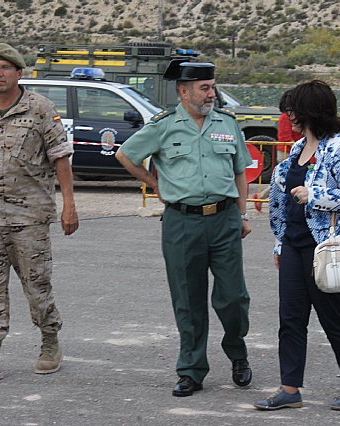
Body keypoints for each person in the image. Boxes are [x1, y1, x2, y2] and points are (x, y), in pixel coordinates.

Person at [115, 60, 253, 397]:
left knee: (233, 297)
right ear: (183, 91)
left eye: (212, 86)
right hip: (181, 222)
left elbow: (240, 171)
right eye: (204, 88)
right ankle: (191, 369)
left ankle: (237, 353)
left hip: (223, 219)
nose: (211, 93)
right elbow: (126, 155)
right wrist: (154, 184)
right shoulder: (164, 126)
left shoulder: (227, 123)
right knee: (188, 300)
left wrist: (242, 214)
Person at [0, 43, 79, 382]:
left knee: (37, 285)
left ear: (18, 73)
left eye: (5, 68)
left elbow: (61, 158)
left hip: (30, 219)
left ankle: (50, 342)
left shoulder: (40, 109)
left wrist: (69, 204)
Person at [254, 80, 340, 411]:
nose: (289, 117)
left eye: (293, 111)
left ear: (310, 111)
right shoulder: (296, 148)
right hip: (293, 245)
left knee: (333, 320)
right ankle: (290, 389)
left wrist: (314, 195)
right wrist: (279, 243)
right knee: (290, 320)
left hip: (326, 249)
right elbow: (286, 201)